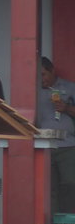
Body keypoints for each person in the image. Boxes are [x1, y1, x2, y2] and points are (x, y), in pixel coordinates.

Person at [39, 58, 75, 212]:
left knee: (70, 184)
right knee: (48, 189)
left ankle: (66, 223)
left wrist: (66, 108)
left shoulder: (70, 87)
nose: (41, 79)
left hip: (68, 145)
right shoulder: (34, 90)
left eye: (43, 74)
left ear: (52, 70)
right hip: (43, 146)